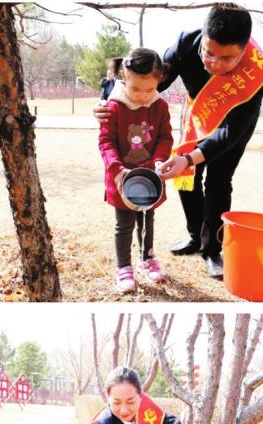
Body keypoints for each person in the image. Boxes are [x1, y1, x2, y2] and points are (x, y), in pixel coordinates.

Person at [94, 4, 263, 280]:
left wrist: (189, 158)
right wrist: (108, 103)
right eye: (209, 53)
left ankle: (212, 250)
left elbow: (231, 130)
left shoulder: (258, 69)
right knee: (187, 179)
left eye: (227, 58)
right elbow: (150, 83)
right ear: (204, 38)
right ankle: (194, 236)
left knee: (218, 181)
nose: (214, 63)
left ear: (243, 49)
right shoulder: (185, 45)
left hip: (231, 127)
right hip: (196, 118)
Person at [98, 48, 174, 293]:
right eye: (136, 89)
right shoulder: (113, 107)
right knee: (124, 224)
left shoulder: (160, 106)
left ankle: (147, 258)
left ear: (159, 80)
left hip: (150, 177)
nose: (142, 96)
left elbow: (165, 137)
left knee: (147, 219)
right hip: (121, 178)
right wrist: (117, 169)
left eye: (149, 90)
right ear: (124, 77)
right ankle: (123, 267)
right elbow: (106, 142)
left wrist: (159, 160)